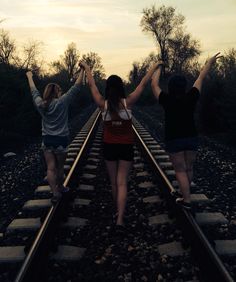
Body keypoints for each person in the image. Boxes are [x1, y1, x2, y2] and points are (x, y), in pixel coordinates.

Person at [79, 61, 162, 228]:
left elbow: (92, 84)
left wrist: (87, 69)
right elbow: (143, 83)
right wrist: (154, 66)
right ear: (121, 88)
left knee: (113, 182)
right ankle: (120, 218)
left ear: (108, 88)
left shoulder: (103, 104)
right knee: (122, 181)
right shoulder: (128, 102)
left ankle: (117, 210)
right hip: (126, 147)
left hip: (109, 147)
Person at [151, 53, 222, 210]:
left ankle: (187, 201)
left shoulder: (166, 99)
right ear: (184, 87)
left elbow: (154, 85)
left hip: (174, 139)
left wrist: (157, 67)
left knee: (180, 170)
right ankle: (185, 193)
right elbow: (200, 78)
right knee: (188, 168)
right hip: (191, 137)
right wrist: (209, 63)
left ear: (170, 87)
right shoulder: (192, 96)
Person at [26, 70, 84, 203]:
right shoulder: (62, 102)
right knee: (59, 167)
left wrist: (29, 77)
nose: (61, 92)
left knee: (50, 167)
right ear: (56, 92)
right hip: (61, 140)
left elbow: (33, 91)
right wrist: (82, 70)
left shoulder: (41, 104)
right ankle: (61, 187)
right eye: (59, 90)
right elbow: (77, 86)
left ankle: (55, 192)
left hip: (47, 140)